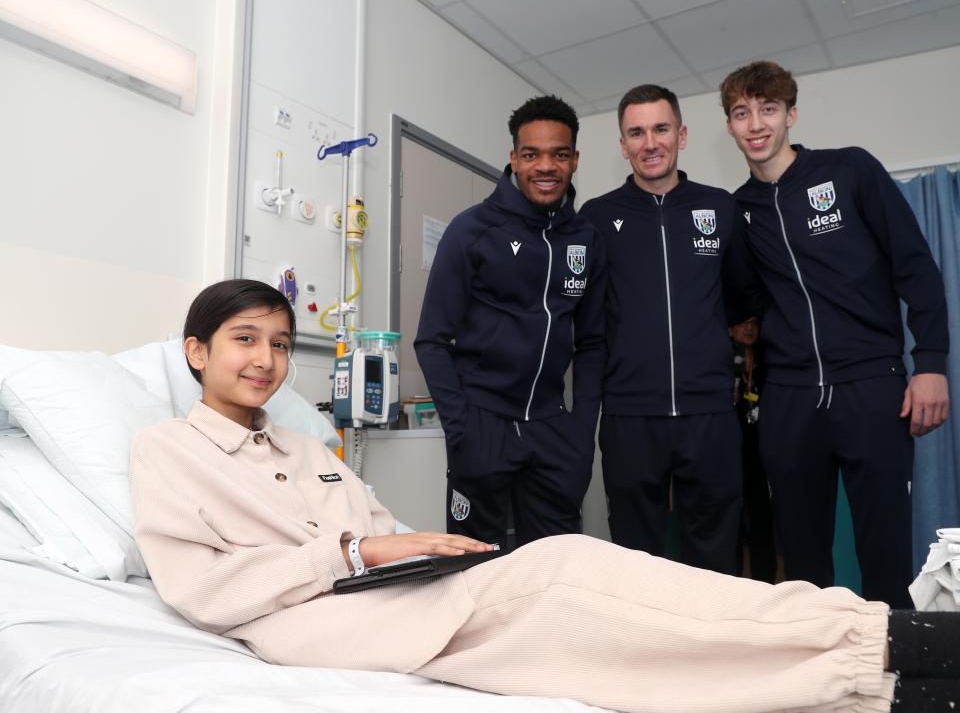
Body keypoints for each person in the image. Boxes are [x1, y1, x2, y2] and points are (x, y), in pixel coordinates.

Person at [131, 278, 960, 713]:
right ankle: (883, 638)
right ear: (196, 352)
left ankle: (886, 678)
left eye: (279, 344)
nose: (267, 360)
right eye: (245, 341)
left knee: (590, 630)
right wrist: (355, 551)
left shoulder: (308, 446)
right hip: (310, 620)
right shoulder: (168, 451)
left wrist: (412, 548)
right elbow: (203, 590)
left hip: (393, 598)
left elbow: (384, 535)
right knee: (564, 566)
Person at [719, 60, 950, 607]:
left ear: (791, 114)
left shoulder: (849, 172)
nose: (756, 124)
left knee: (885, 551)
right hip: (791, 400)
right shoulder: (739, 210)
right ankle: (817, 677)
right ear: (728, 125)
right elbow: (746, 303)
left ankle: (892, 676)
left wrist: (933, 364)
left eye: (768, 109)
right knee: (802, 563)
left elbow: (915, 268)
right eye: (741, 113)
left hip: (873, 386)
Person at [414, 96, 606, 550]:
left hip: (553, 428)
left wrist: (581, 430)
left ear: (574, 160)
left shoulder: (586, 239)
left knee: (557, 562)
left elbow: (593, 342)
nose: (546, 166)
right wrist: (462, 428)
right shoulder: (473, 229)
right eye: (531, 154)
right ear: (514, 158)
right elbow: (432, 340)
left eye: (559, 154)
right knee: (473, 562)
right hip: (483, 424)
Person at [579, 85, 757, 574]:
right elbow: (586, 318)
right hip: (630, 418)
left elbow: (741, 300)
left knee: (716, 550)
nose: (649, 142)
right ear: (622, 145)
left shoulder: (720, 209)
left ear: (680, 135)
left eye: (660, 129)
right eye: (636, 132)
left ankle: (713, 647)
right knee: (636, 558)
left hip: (710, 414)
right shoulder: (596, 218)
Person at [730, 317, 777, 583]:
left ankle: (766, 583)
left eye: (754, 323)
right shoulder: (721, 358)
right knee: (730, 521)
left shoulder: (768, 360)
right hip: (728, 451)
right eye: (741, 322)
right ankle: (732, 581)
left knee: (762, 519)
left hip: (760, 452)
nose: (748, 327)